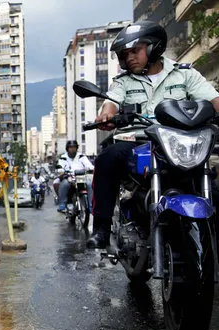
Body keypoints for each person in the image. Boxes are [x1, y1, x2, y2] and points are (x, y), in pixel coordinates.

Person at [87, 21, 219, 249]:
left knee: (213, 187)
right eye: (124, 54)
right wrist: (106, 116)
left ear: (154, 47)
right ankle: (102, 227)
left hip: (180, 145)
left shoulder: (185, 75)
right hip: (138, 144)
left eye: (134, 51)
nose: (129, 58)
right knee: (107, 158)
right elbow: (110, 104)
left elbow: (214, 101)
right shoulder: (123, 82)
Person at [54, 140, 94, 212]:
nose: (72, 149)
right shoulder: (63, 157)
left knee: (89, 184)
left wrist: (91, 169)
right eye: (70, 147)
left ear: (76, 148)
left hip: (81, 177)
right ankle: (62, 203)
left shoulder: (81, 156)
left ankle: (91, 204)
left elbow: (89, 165)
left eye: (74, 147)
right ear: (67, 148)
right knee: (64, 184)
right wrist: (61, 172)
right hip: (69, 177)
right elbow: (60, 168)